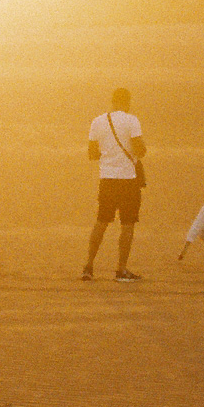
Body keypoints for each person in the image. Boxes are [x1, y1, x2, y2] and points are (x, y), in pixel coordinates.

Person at [83, 87, 146, 282]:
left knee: (101, 222)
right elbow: (140, 150)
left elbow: (92, 154)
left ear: (112, 101)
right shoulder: (132, 120)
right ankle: (121, 269)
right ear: (127, 102)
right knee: (127, 225)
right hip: (128, 180)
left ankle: (88, 266)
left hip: (107, 179)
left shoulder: (97, 121)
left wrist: (108, 156)